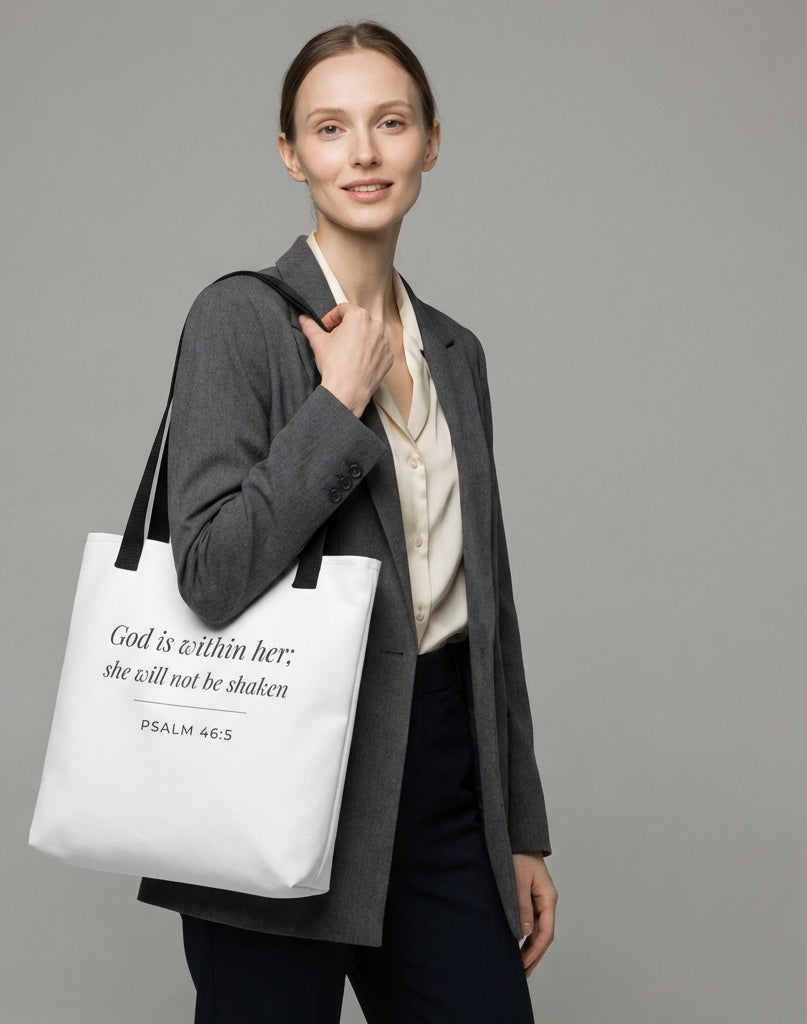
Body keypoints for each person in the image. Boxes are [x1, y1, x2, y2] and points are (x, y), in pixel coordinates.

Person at [137, 21, 557, 1023]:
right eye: (330, 128)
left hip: (444, 782)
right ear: (292, 154)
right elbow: (208, 570)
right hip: (279, 778)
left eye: (390, 123)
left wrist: (519, 824)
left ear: (430, 142)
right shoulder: (239, 320)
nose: (362, 152)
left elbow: (485, 598)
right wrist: (335, 408)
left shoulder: (456, 351)